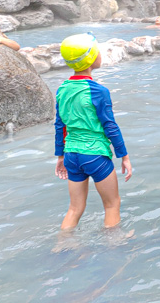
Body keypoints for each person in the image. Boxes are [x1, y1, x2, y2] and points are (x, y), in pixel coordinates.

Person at [55, 33, 132, 230]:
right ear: (91, 58)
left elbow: (60, 125)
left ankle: (62, 247)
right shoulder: (98, 91)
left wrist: (60, 156)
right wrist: (123, 156)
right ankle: (114, 248)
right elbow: (110, 126)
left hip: (72, 154)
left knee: (74, 208)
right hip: (95, 155)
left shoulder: (62, 89)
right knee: (112, 205)